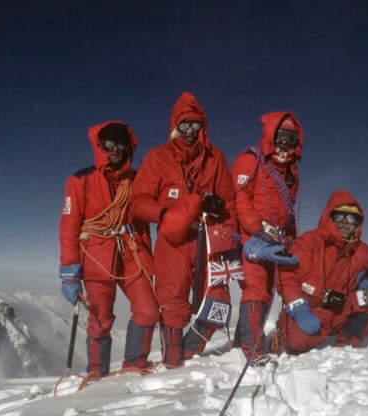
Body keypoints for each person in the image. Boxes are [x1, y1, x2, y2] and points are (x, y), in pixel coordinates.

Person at [130, 92, 237, 367]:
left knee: (217, 299)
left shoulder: (216, 158)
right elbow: (138, 202)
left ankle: (191, 350)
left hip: (209, 239)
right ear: (175, 126)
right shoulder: (157, 158)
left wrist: (225, 231)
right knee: (173, 305)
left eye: (195, 126)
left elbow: (231, 203)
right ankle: (174, 365)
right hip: (172, 243)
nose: (190, 132)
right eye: (184, 126)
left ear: (203, 127)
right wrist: (164, 213)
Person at [59, 121, 159, 379]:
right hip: (96, 255)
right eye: (109, 144)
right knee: (100, 320)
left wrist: (148, 255)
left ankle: (135, 365)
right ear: (100, 146)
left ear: (129, 147)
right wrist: (70, 274)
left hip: (130, 252)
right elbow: (69, 227)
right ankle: (96, 375)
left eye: (121, 144)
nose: (115, 149)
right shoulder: (80, 180)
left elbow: (144, 223)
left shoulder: (138, 181)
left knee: (148, 309)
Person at [275, 189, 368, 354]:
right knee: (297, 341)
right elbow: (287, 277)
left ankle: (347, 341)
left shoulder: (365, 253)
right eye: (338, 216)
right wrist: (299, 310)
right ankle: (283, 339)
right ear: (329, 216)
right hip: (309, 312)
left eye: (351, 217)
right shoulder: (309, 242)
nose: (344, 222)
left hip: (341, 314)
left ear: (358, 222)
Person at [231, 112, 303, 361]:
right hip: (252, 237)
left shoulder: (290, 173)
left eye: (290, 137)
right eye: (280, 136)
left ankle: (243, 338)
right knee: (256, 288)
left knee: (272, 289)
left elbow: (289, 211)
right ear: (271, 135)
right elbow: (241, 200)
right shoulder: (249, 161)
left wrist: (292, 237)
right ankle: (252, 349)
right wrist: (259, 231)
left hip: (278, 240)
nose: (285, 143)